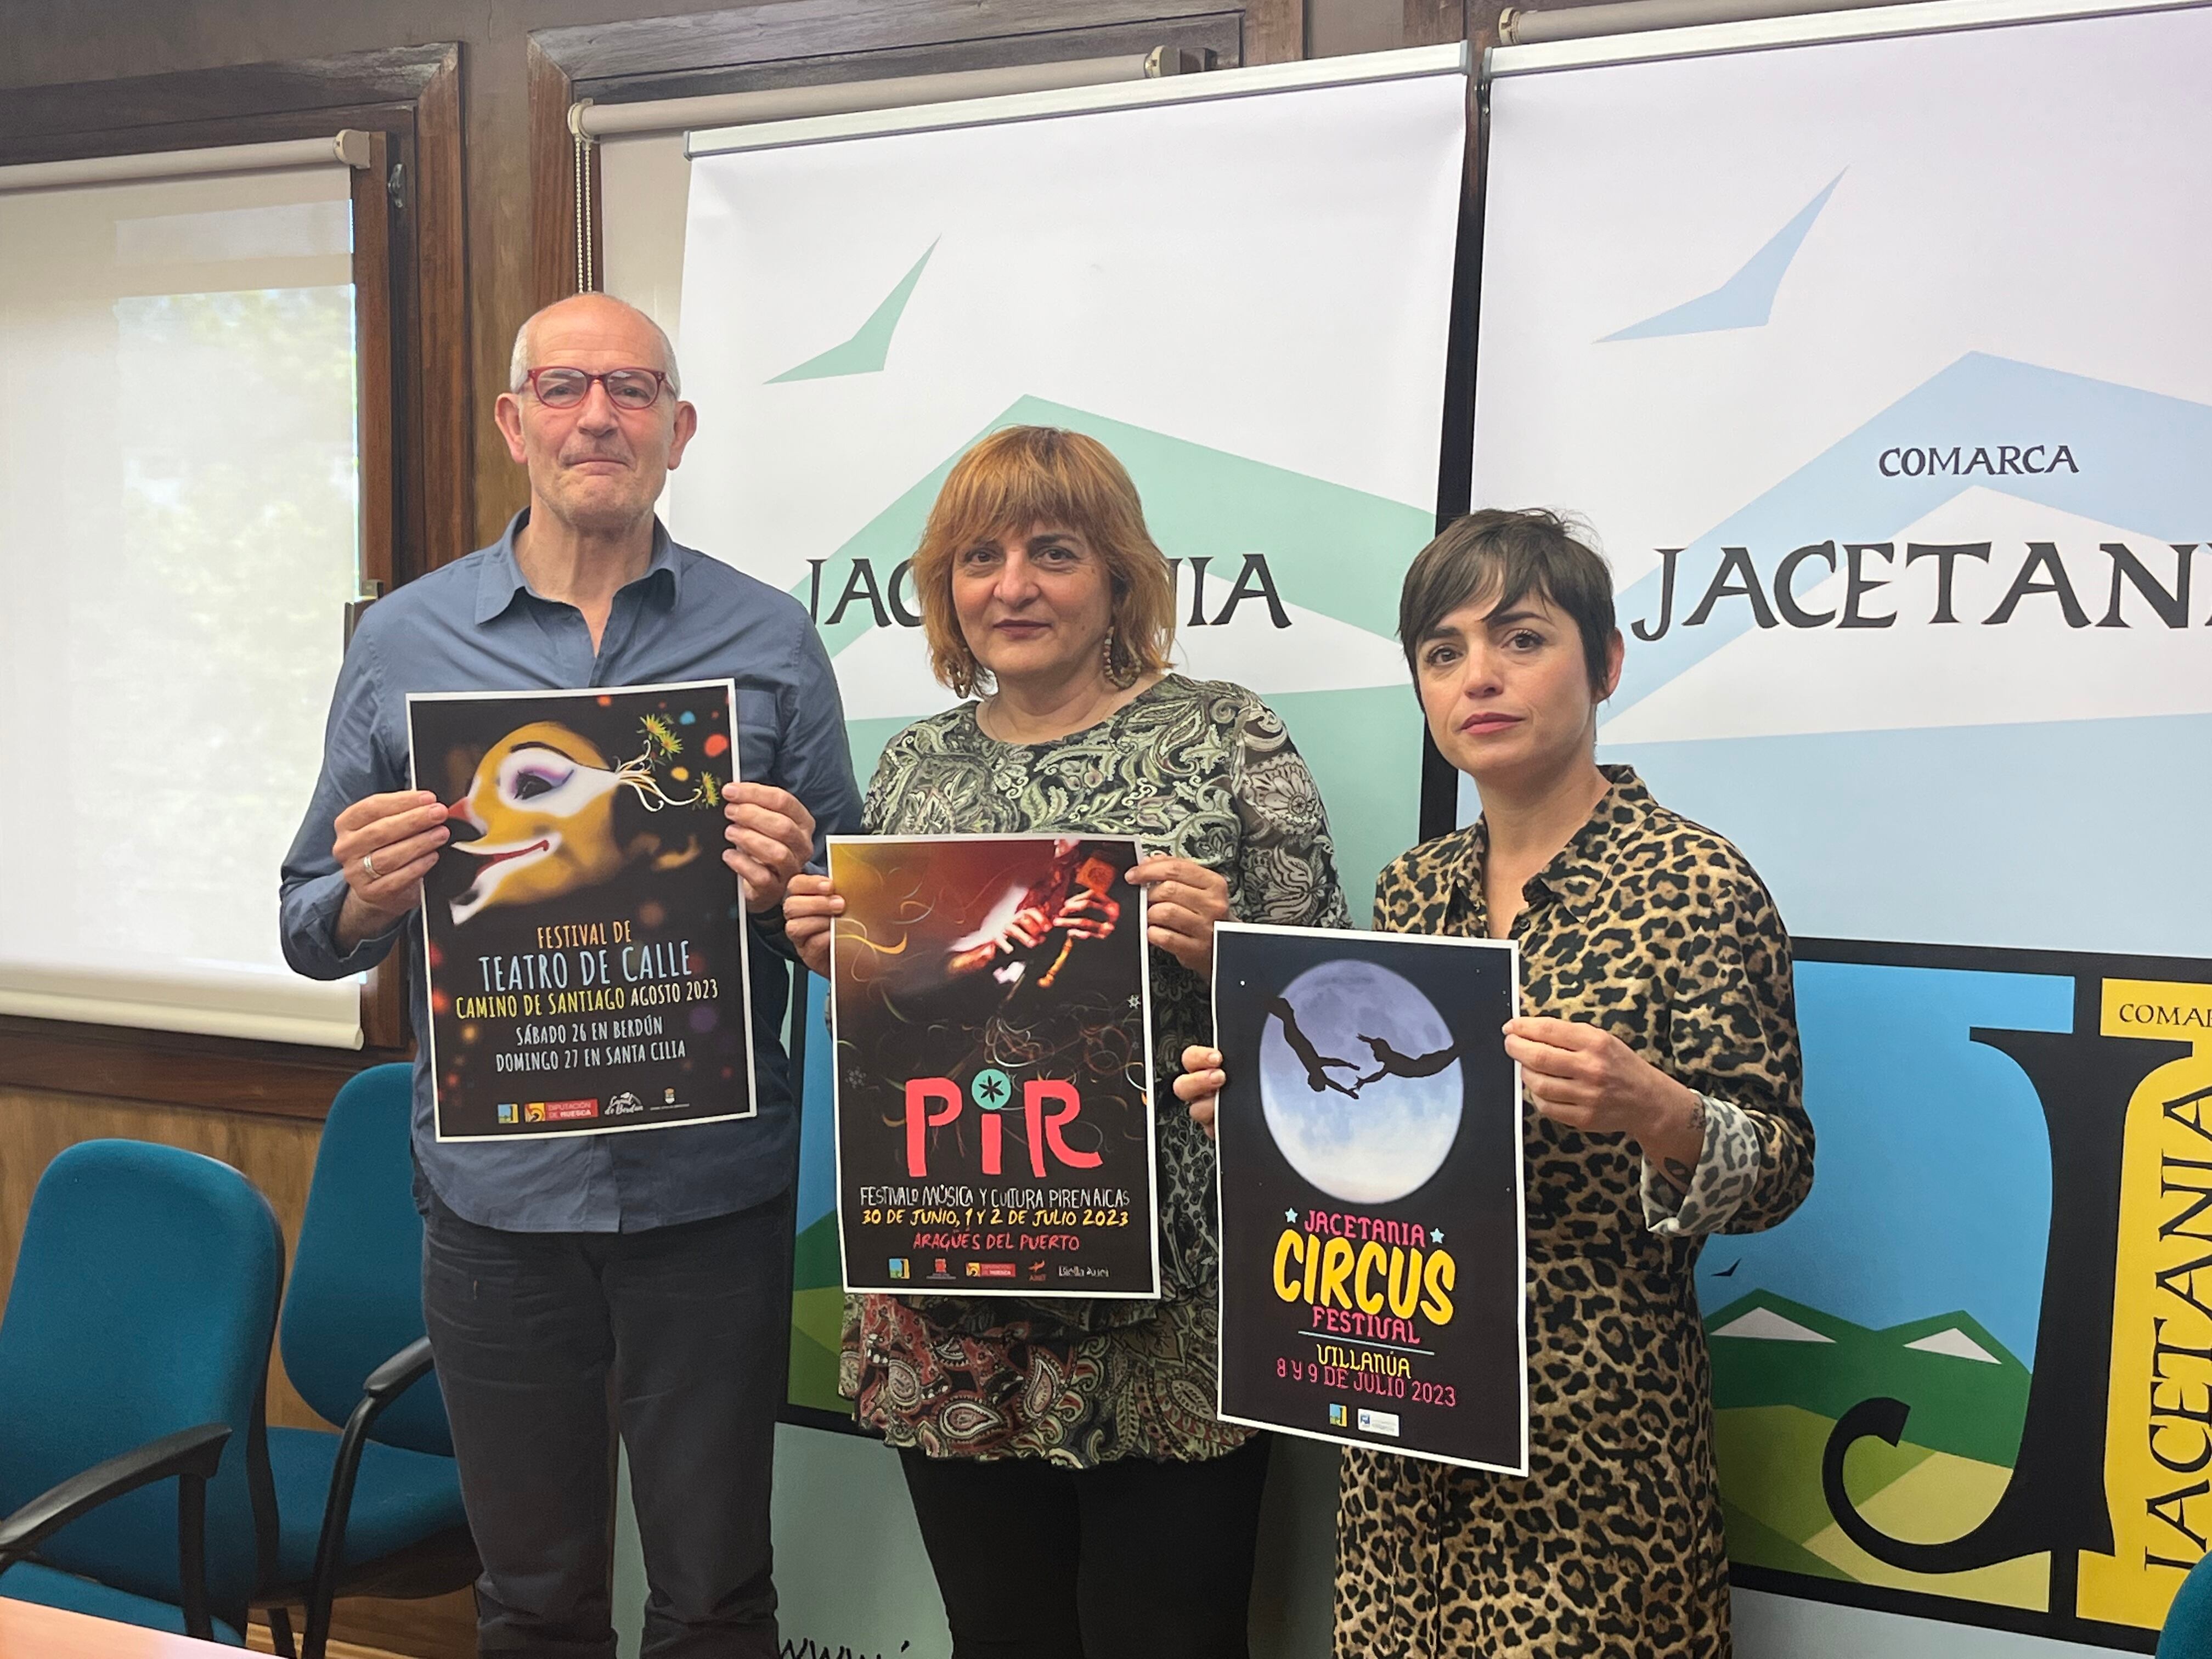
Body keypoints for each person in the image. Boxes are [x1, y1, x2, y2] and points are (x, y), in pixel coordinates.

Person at [279, 292, 862, 1659]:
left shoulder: (770, 638)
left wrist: (796, 885)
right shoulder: (403, 643)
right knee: (531, 1601)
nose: (598, 415)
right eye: (563, 387)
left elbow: (850, 922)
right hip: (497, 1207)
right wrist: (366, 892)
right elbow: (308, 924)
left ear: (679, 429)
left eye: (632, 389)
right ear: (514, 422)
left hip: (712, 1197)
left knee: (716, 1596)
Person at [1179, 509, 1813, 1657]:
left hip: (1594, 1443)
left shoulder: (1697, 884)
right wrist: (1272, 1116)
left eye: (1522, 639)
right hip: (1400, 1407)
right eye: (1445, 651)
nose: (1480, 676)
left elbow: (1780, 1167)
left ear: (1605, 662)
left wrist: (1659, 1111)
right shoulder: (1413, 888)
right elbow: (1385, 1141)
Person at [782, 425, 1346, 1659]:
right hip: (957, 1292)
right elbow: (904, 1024)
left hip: (1171, 1302)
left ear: (1119, 576)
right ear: (945, 588)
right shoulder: (916, 762)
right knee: (1000, 1636)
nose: (1013, 586)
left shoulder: (1226, 735)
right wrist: (843, 962)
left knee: (1175, 1640)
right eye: (979, 558)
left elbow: (1334, 1009)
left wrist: (1230, 947)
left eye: (1054, 552)